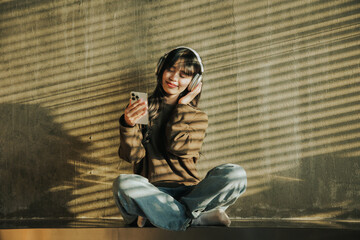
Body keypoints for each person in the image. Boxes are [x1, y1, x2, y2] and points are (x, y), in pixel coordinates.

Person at [113, 47, 247, 231]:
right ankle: (194, 219)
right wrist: (128, 125)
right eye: (170, 69)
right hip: (151, 193)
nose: (173, 78)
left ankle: (163, 216)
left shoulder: (198, 116)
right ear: (161, 69)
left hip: (191, 194)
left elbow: (178, 147)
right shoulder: (142, 108)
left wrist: (183, 106)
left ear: (194, 82)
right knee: (123, 183)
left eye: (184, 75)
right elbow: (132, 157)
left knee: (236, 174)